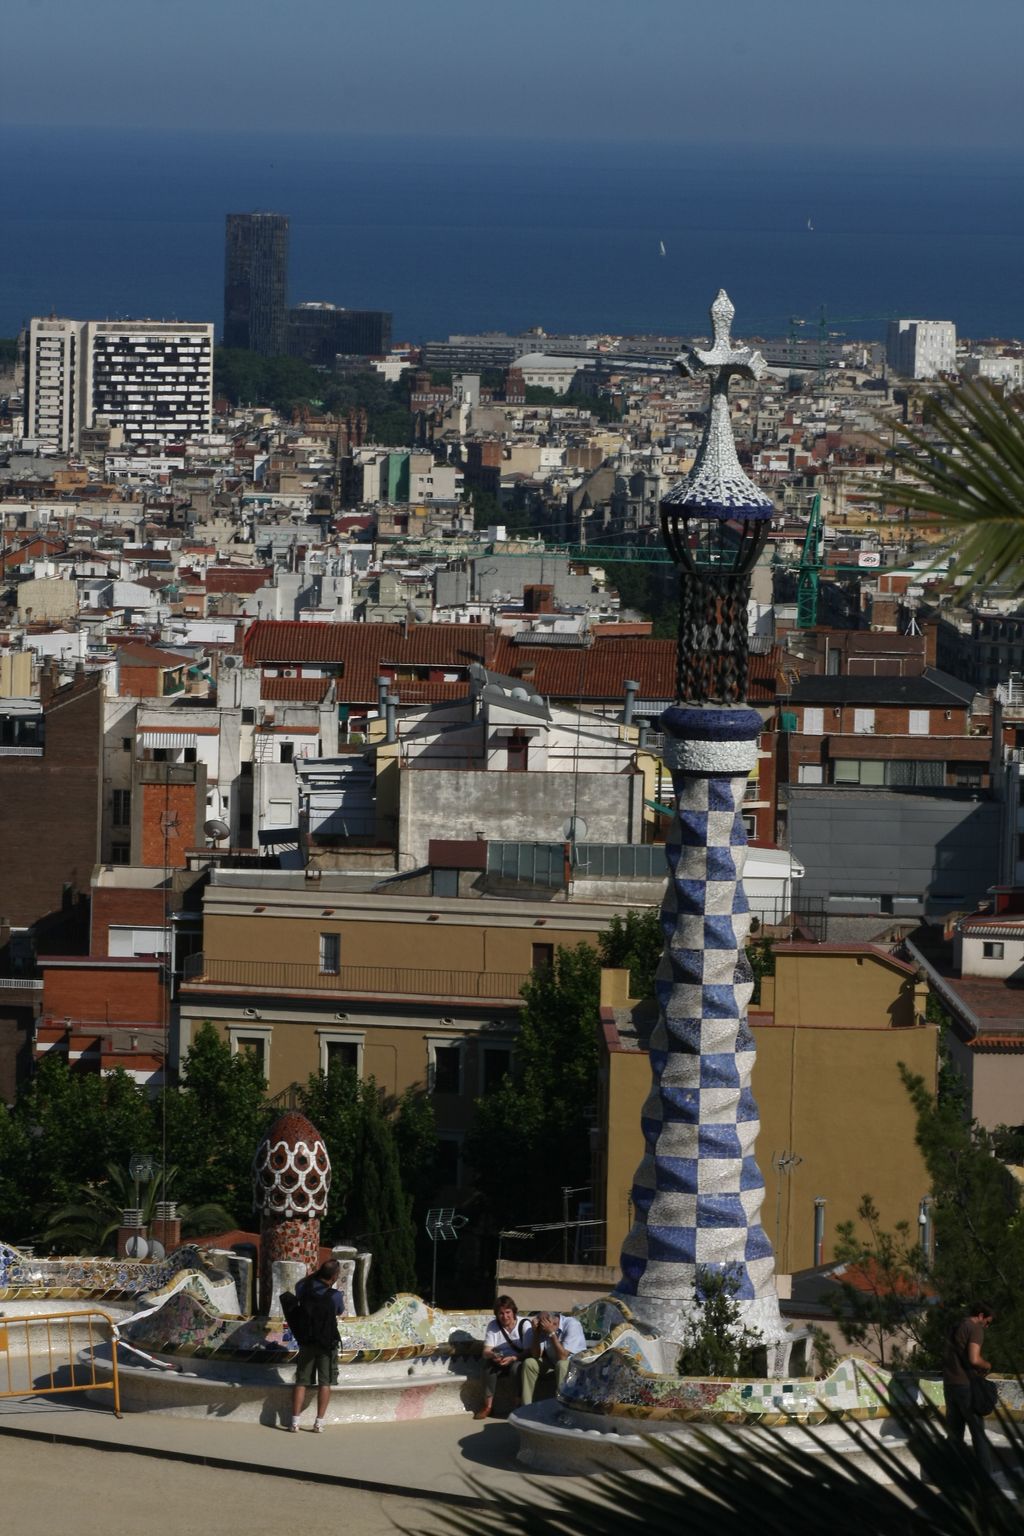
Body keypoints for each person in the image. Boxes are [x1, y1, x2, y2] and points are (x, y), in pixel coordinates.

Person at [290, 1258, 345, 1433]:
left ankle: (294, 1422)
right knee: (325, 1382)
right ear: (335, 1276)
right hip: (326, 1344)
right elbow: (339, 1311)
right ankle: (319, 1423)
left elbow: (297, 1287)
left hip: (306, 1341)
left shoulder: (303, 1289)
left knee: (301, 1382)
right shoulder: (335, 1296)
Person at [942, 1301, 996, 1474]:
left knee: (954, 1436)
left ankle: (952, 1477)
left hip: (950, 1384)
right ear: (981, 1315)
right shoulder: (975, 1329)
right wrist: (987, 1365)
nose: (987, 1326)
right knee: (978, 1436)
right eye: (988, 1321)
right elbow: (974, 1359)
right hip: (966, 1387)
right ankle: (985, 1480)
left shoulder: (955, 1326)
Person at [476, 1295, 530, 1420]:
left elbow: (529, 1351)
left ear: (513, 1312)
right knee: (488, 1367)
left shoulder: (524, 1325)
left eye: (507, 1312)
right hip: (500, 1360)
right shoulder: (493, 1326)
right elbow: (486, 1351)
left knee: (516, 1369)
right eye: (501, 1313)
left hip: (518, 1359)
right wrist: (493, 1355)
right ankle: (488, 1406)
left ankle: (517, 1405)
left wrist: (513, 1358)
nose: (505, 1317)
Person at [521, 1309, 587, 1406]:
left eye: (543, 1327)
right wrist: (536, 1334)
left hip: (576, 1366)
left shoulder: (572, 1325)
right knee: (529, 1363)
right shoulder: (543, 1328)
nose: (543, 1330)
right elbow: (536, 1355)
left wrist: (552, 1334)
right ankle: (526, 1407)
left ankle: (562, 1408)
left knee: (561, 1364)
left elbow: (563, 1356)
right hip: (554, 1363)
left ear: (554, 1322)